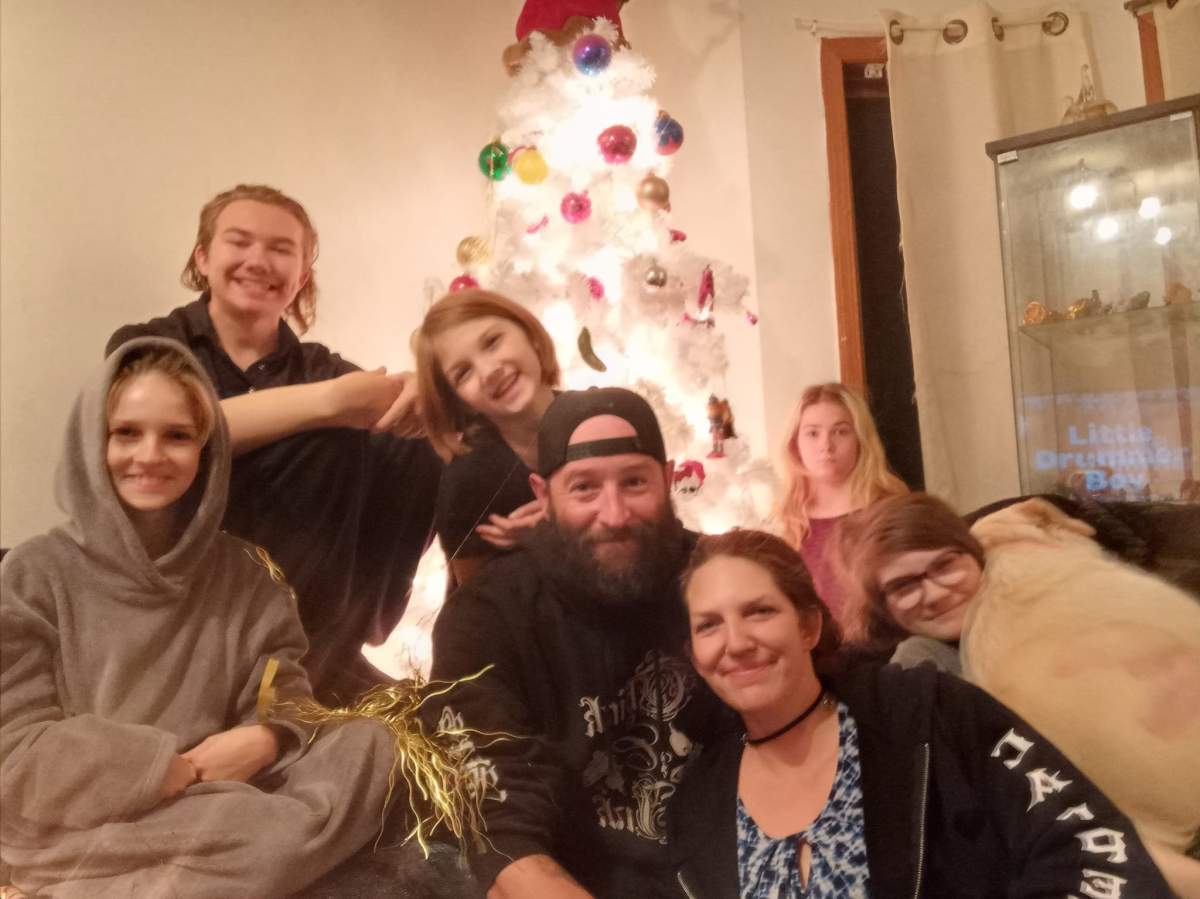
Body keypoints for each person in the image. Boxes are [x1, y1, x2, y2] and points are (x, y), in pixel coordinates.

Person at [0, 339, 396, 897]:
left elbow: (284, 684)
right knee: (269, 840)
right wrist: (169, 769)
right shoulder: (33, 573)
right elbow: (14, 750)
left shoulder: (245, 573)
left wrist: (267, 733)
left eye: (178, 436)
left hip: (220, 808)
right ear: (93, 441)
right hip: (83, 822)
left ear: (206, 450)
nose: (150, 455)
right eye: (127, 432)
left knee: (370, 747)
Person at [671, 528, 1174, 898]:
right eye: (709, 625)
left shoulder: (929, 715)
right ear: (695, 654)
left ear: (808, 627)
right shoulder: (698, 802)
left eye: (760, 611)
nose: (735, 643)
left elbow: (1089, 844)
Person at [106, 184, 442, 702]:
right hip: (173, 598)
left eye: (281, 250)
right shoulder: (148, 345)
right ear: (203, 257)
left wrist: (422, 390)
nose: (258, 261)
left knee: (415, 441)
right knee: (324, 437)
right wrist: (328, 404)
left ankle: (318, 658)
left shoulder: (322, 368)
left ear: (301, 275)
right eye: (239, 242)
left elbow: (409, 416)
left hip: (309, 619)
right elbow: (171, 436)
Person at [426, 387, 728, 899]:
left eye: (635, 482)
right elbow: (497, 818)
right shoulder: (485, 616)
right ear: (543, 496)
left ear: (669, 476)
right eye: (584, 488)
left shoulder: (726, 582)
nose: (614, 515)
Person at [412, 288, 559, 585]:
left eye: (492, 342)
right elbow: (477, 610)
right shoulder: (470, 480)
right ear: (457, 399)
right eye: (463, 373)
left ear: (528, 332)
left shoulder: (600, 417)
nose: (489, 371)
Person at [776, 383, 907, 623]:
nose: (826, 445)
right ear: (796, 444)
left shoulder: (892, 512)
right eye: (813, 433)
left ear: (860, 439)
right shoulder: (785, 524)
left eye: (840, 431)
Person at [836, 491, 984, 674]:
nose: (935, 594)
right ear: (883, 609)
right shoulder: (914, 669)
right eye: (904, 586)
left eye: (945, 566)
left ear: (975, 554)